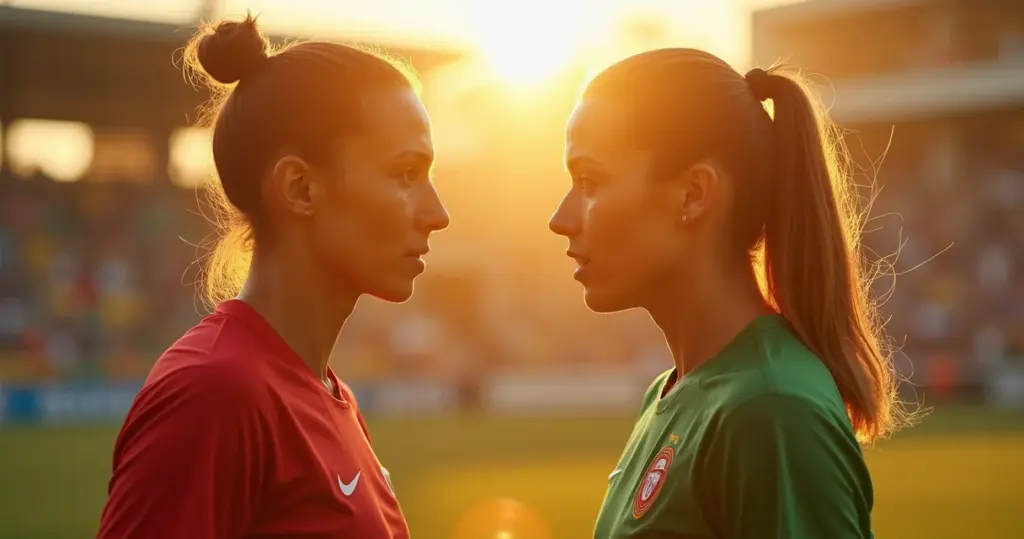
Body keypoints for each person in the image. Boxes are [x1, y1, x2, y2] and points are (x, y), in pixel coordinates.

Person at [97, 15, 448, 539]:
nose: (437, 212)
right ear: (300, 188)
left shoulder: (330, 397)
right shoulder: (214, 392)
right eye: (405, 174)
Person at [549, 49, 911, 538]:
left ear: (694, 194)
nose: (560, 219)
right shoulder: (675, 391)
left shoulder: (771, 407)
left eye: (590, 181)